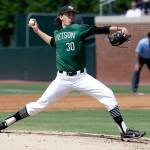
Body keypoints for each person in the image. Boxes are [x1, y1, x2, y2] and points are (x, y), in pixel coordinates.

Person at [0, 5, 145, 140]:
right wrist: (37, 30)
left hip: (81, 77)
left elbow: (99, 30)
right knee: (38, 105)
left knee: (108, 95)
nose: (71, 16)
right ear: (61, 17)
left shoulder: (79, 28)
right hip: (62, 79)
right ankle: (7, 122)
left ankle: (124, 131)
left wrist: (120, 28)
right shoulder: (58, 33)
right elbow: (52, 42)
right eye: (68, 14)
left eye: (72, 14)